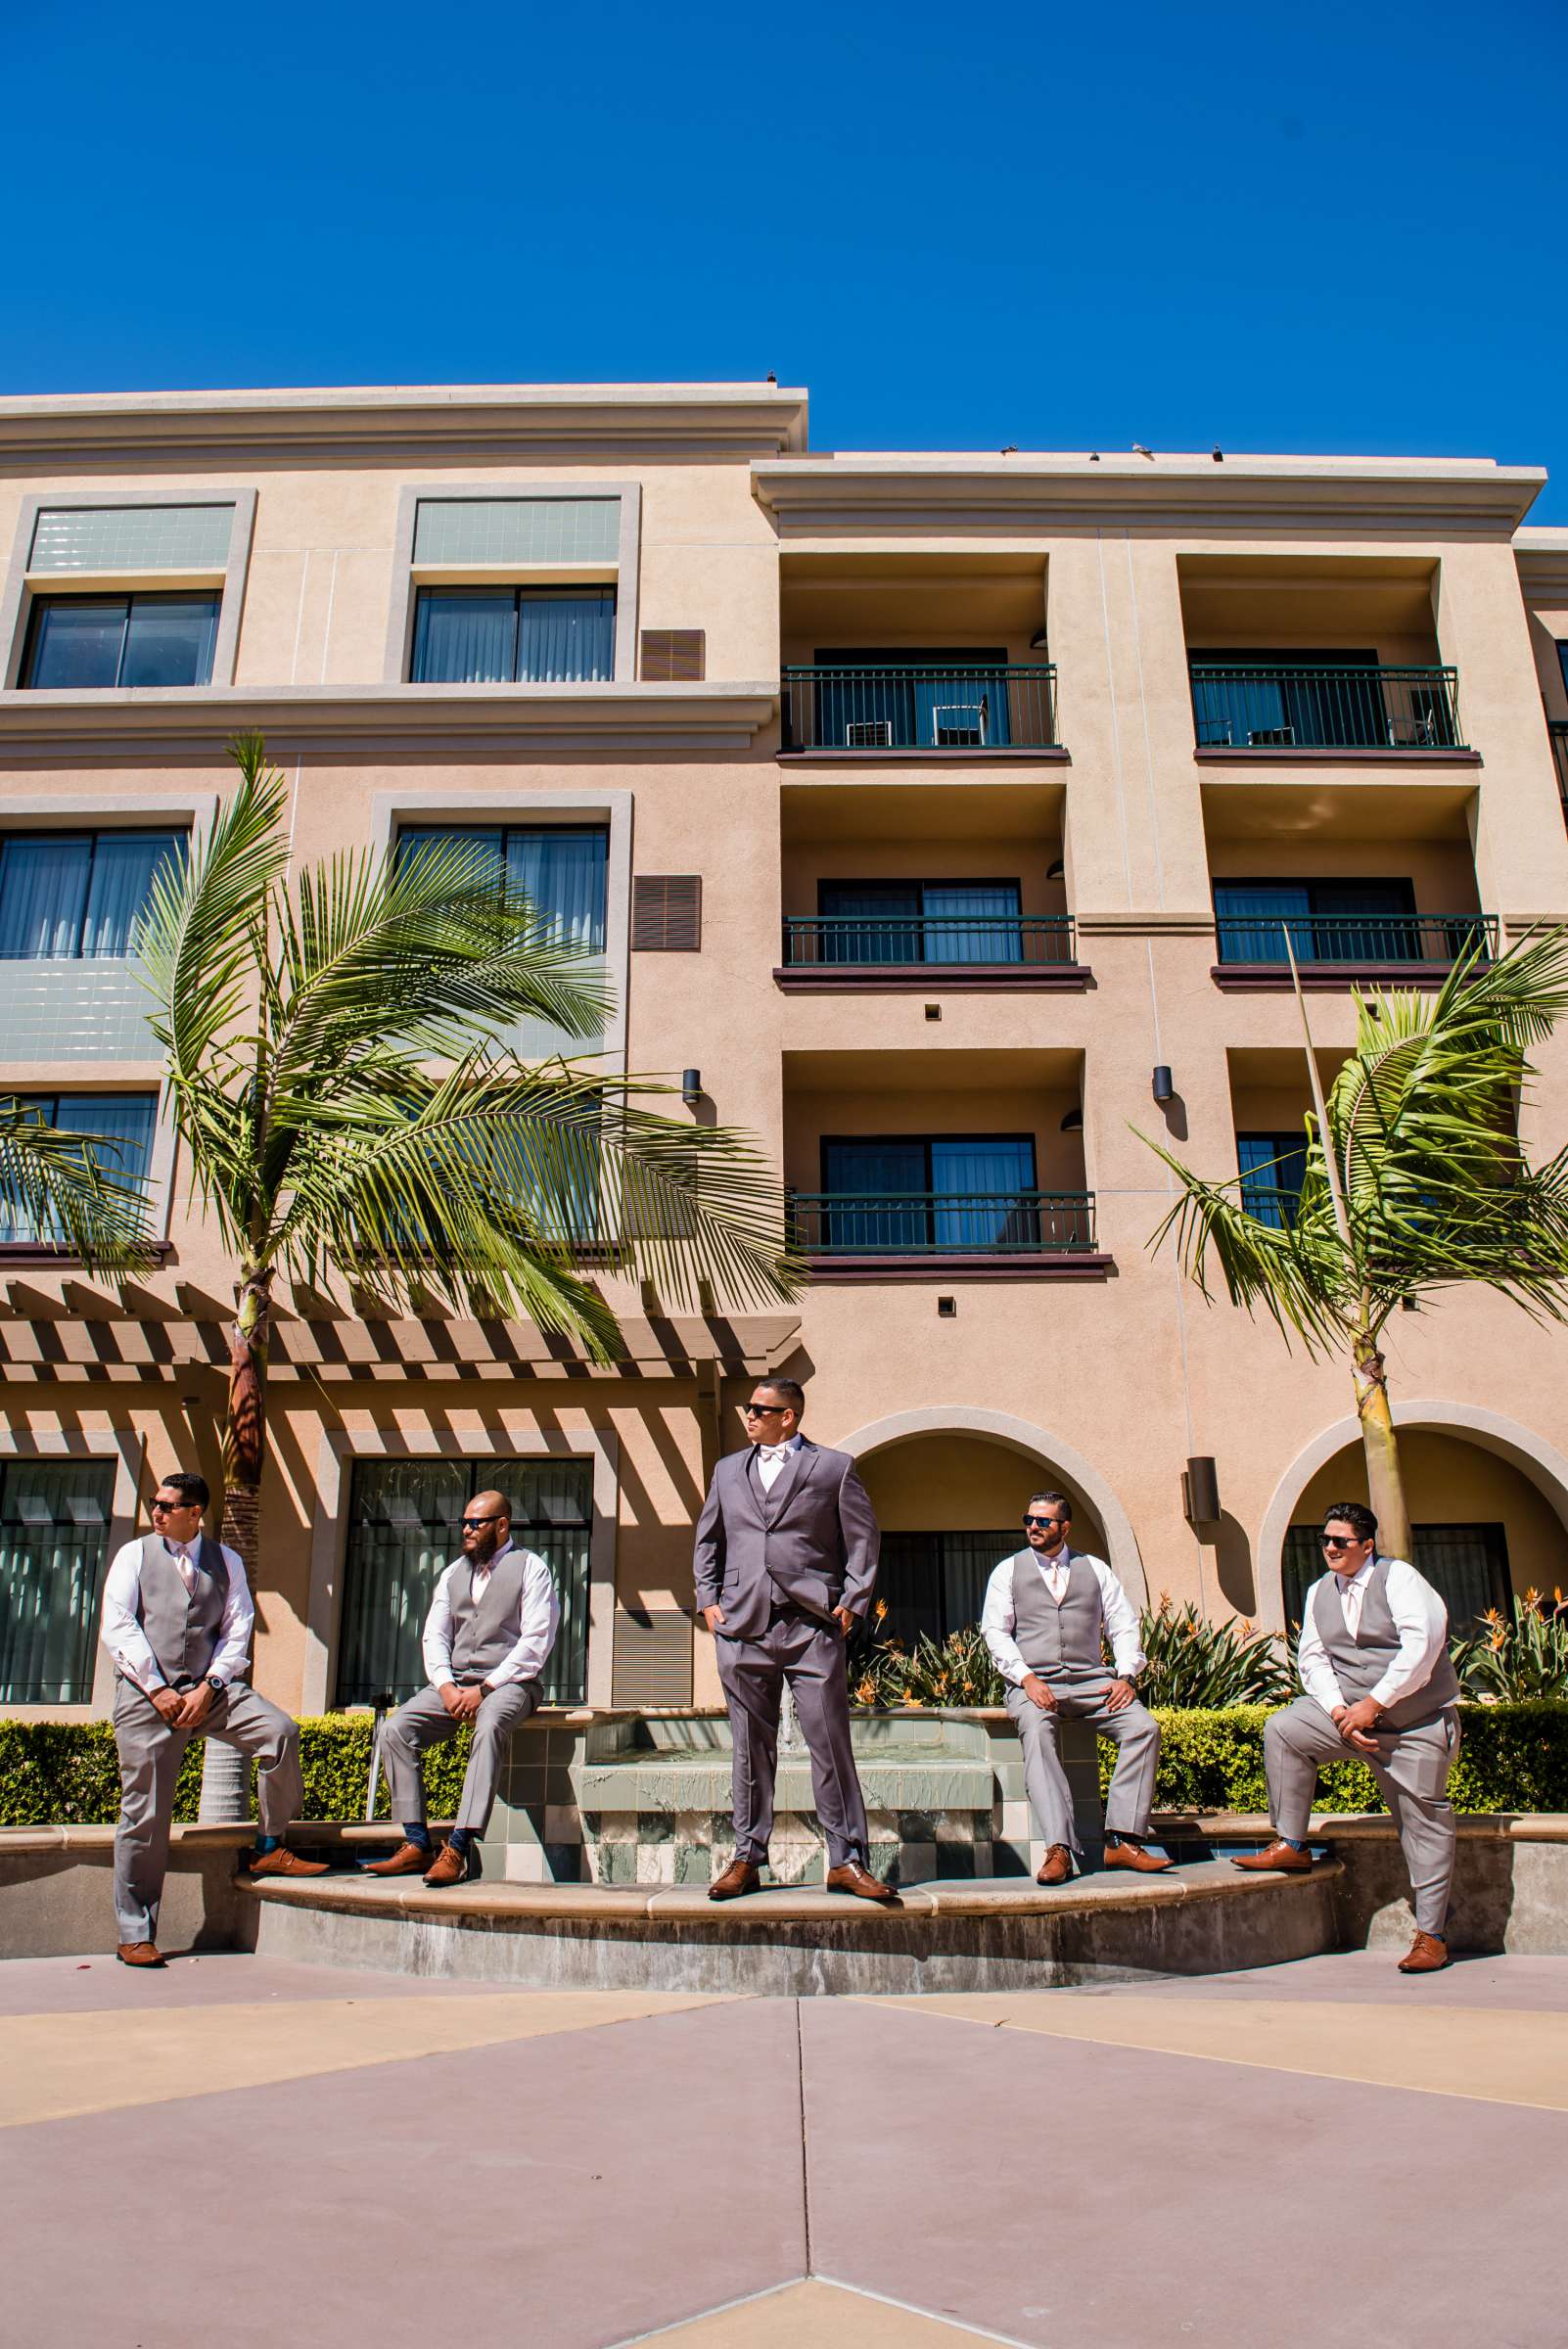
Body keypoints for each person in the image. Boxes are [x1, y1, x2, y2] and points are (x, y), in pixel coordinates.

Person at [102, 1469, 326, 1968]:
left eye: (166, 1505)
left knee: (279, 1732)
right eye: (154, 1503)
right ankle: (135, 1932)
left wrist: (209, 1687)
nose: (155, 1512)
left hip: (209, 1691)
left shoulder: (226, 1560)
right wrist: (158, 1689)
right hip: (146, 1696)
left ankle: (269, 1844)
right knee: (147, 1814)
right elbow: (118, 1626)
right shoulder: (133, 1556)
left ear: (194, 1513)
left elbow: (237, 1629)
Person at [1233, 1500, 1460, 1972]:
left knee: (1425, 1825)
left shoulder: (1400, 1580)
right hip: (1350, 1717)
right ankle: (1291, 1844)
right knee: (1286, 1728)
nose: (1330, 1548)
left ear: (1367, 1545)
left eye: (1341, 1541)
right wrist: (1341, 1712)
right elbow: (1313, 1659)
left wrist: (1374, 1705)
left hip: (1413, 1722)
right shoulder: (1319, 1590)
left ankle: (1432, 1936)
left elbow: (1422, 1647)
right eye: (1325, 1541)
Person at [693, 1378, 896, 1904]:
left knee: (829, 1743)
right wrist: (708, 1598)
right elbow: (709, 1537)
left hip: (811, 1626)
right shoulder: (726, 1470)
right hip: (742, 1625)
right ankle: (746, 1858)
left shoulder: (833, 1467)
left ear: (790, 1416)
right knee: (748, 1749)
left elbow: (862, 1538)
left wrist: (852, 1601)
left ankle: (846, 1860)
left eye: (761, 1409)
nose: (749, 1415)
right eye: (748, 1407)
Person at [364, 1490, 559, 1887]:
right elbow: (434, 1635)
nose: (467, 1530)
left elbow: (536, 1641)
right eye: (465, 1522)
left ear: (501, 1525)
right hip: (455, 1683)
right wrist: (446, 1686)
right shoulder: (452, 1573)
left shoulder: (531, 1568)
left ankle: (459, 1845)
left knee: (489, 1726)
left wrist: (485, 1689)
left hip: (512, 1683)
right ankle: (418, 1843)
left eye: (476, 1523)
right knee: (396, 1730)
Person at [982, 1491, 1170, 1883]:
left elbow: (1123, 1624)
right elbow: (995, 1632)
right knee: (1036, 1731)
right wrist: (1026, 1677)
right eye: (1028, 1519)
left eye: (1043, 1521)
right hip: (1034, 1681)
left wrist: (1125, 1675)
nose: (1033, 1527)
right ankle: (1059, 1848)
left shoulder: (1096, 1570)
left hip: (1092, 1681)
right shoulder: (1007, 1571)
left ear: (1064, 1527)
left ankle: (1121, 1838)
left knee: (1143, 1729)